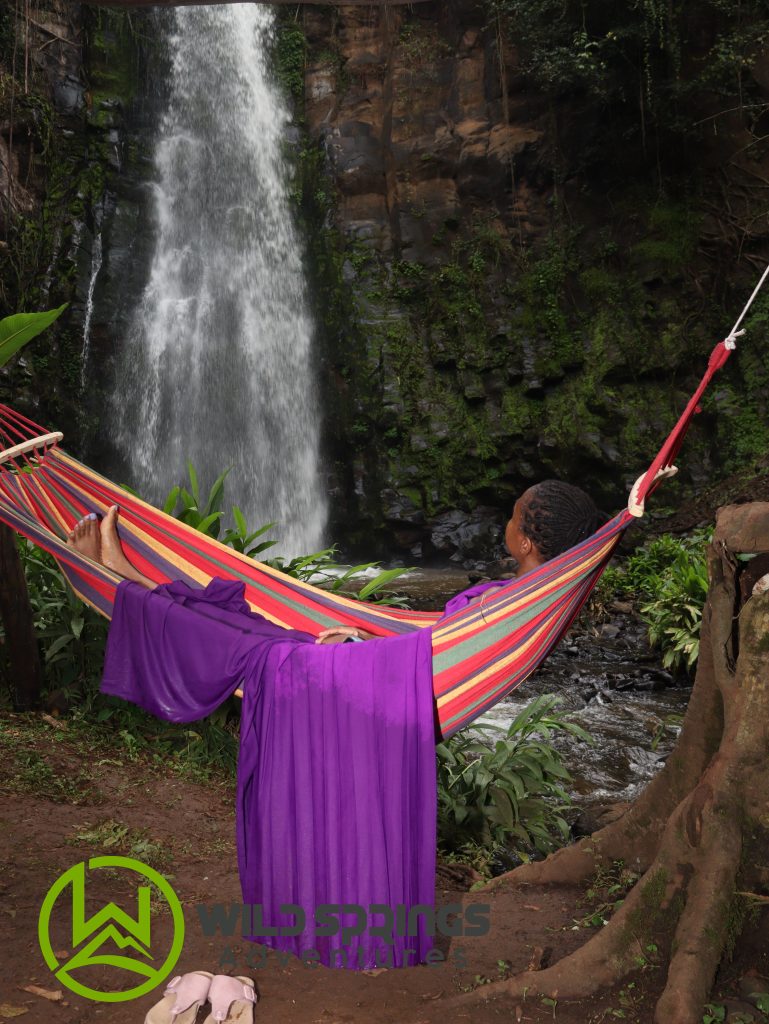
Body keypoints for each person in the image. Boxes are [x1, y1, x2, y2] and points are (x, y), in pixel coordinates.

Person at [66, 478, 603, 638]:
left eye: (513, 515)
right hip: (378, 652)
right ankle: (128, 576)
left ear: (527, 541)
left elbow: (437, 652)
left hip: (366, 664)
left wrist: (357, 638)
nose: (506, 523)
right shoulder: (522, 599)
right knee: (237, 614)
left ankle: (123, 578)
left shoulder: (506, 603)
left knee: (230, 629)